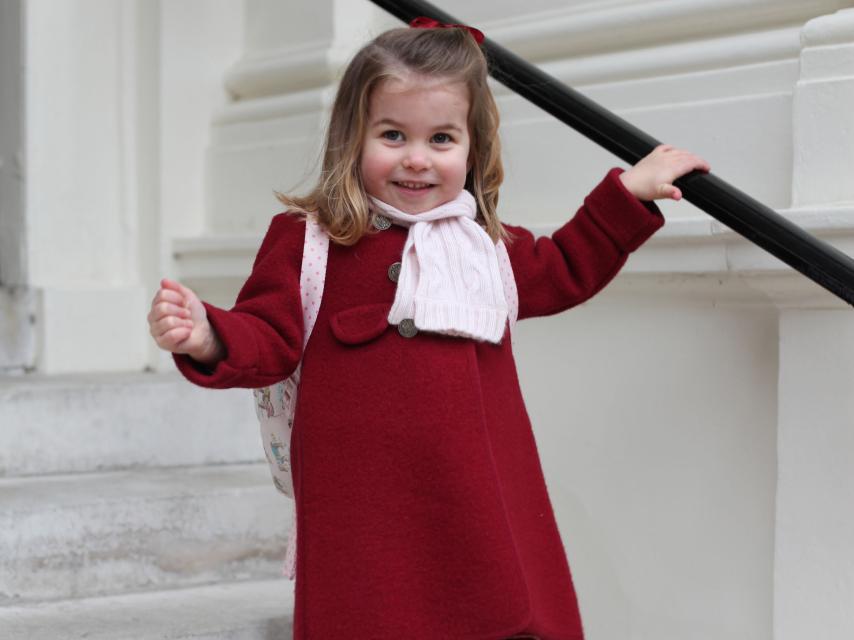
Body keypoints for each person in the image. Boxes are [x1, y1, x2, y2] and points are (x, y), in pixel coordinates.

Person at [147, 19, 710, 640]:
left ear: (473, 149)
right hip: (364, 512)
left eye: (441, 138)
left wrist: (628, 193)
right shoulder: (309, 242)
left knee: (493, 611)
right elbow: (268, 336)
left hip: (473, 500)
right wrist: (208, 335)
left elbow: (564, 268)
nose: (417, 158)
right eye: (393, 134)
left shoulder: (485, 247)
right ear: (352, 138)